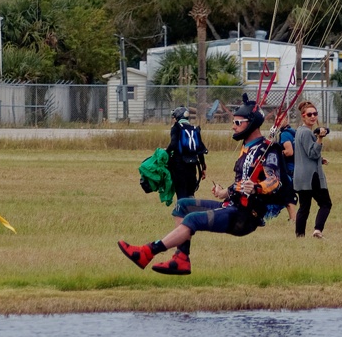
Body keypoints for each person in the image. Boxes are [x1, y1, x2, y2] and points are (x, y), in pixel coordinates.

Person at [118, 94, 281, 275]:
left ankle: (148, 251)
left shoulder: (267, 148)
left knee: (192, 220)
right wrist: (223, 193)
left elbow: (274, 181)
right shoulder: (246, 148)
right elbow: (241, 184)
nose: (232, 127)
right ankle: (181, 258)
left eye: (237, 122)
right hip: (231, 206)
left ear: (250, 123)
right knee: (182, 205)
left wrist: (257, 187)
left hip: (244, 216)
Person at [293, 100, 332, 239]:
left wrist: (320, 160)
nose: (313, 117)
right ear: (303, 116)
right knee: (326, 204)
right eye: (309, 114)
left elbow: (303, 153)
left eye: (315, 113)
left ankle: (299, 235)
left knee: (304, 207)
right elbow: (312, 153)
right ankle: (318, 230)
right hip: (312, 176)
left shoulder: (299, 132)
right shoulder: (307, 133)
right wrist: (320, 138)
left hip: (300, 176)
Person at [165, 107, 208, 200]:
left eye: (174, 118)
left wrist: (165, 154)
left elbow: (173, 144)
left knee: (181, 194)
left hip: (179, 166)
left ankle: (182, 213)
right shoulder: (195, 129)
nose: (173, 120)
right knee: (190, 193)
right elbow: (200, 150)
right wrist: (203, 167)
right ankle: (191, 212)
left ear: (177, 118)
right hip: (192, 166)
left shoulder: (176, 128)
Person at [278, 120, 298, 221]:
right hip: (297, 167)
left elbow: (289, 152)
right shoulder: (293, 132)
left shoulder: (285, 134)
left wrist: (277, 153)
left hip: (289, 170)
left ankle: (294, 219)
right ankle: (293, 218)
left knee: (287, 194)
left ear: (286, 120)